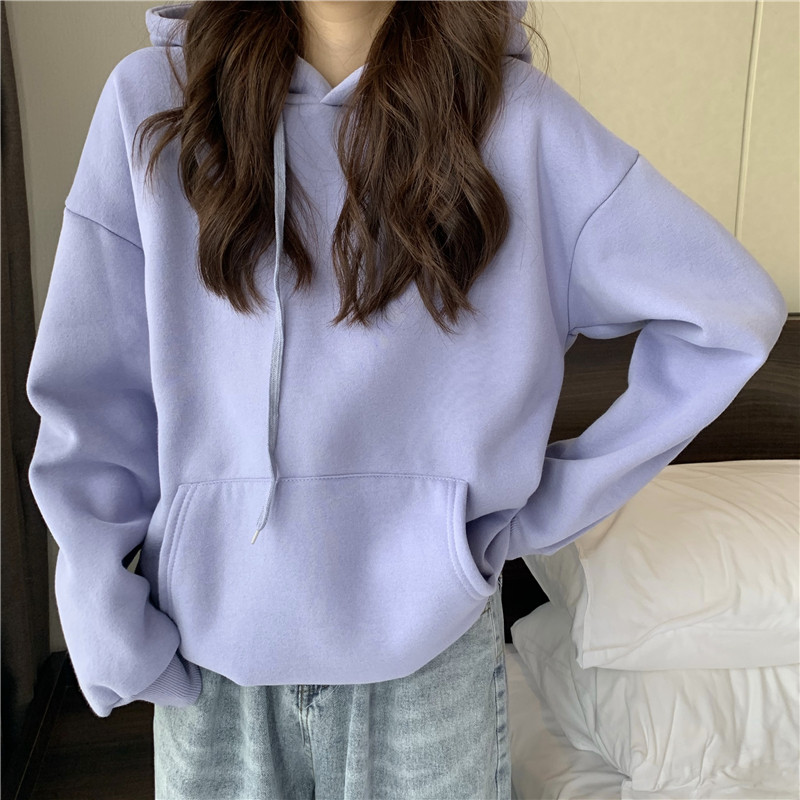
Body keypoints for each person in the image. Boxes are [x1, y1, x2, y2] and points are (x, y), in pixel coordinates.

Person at [25, 1, 787, 798]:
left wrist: (527, 515)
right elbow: (93, 390)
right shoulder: (154, 98)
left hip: (431, 662)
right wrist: (97, 592)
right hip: (211, 651)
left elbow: (729, 315)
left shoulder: (519, 122)